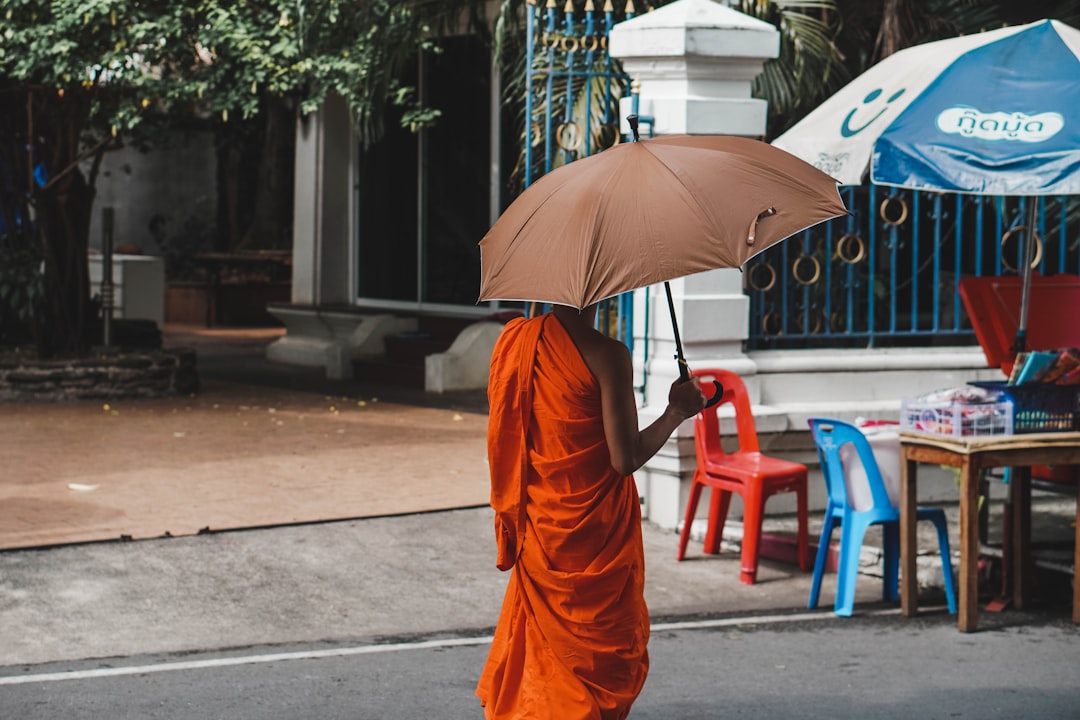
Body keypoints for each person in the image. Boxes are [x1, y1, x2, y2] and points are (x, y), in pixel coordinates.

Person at [476, 303, 707, 719]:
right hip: (597, 534)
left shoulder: (514, 341)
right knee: (599, 661)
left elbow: (508, 435)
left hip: (543, 528)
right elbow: (625, 458)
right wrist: (676, 411)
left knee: (543, 666)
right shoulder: (608, 355)